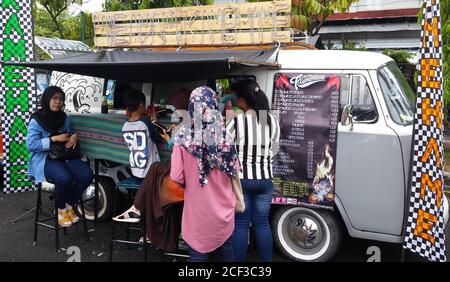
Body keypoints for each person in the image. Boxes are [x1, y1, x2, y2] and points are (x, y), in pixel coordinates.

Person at [170, 86, 241, 262]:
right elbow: (235, 171)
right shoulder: (226, 137)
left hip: (198, 211)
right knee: (226, 250)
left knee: (198, 255)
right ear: (214, 105)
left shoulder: (182, 138)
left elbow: (176, 176)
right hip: (224, 209)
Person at [227, 79, 280, 262]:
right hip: (265, 180)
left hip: (242, 180)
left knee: (241, 225)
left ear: (242, 100)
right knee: (262, 224)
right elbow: (274, 150)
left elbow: (226, 149)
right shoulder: (272, 121)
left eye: (237, 100)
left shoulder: (236, 121)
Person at [26, 86, 94, 227]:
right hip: (45, 158)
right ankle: (60, 209)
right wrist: (53, 139)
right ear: (47, 99)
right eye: (54, 98)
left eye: (61, 99)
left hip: (64, 156)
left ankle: (69, 203)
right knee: (64, 178)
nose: (58, 102)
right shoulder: (37, 120)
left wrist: (74, 136)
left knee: (87, 175)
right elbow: (31, 145)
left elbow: (69, 133)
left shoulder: (65, 118)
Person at [113, 89, 170, 222]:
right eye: (144, 105)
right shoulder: (146, 122)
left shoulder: (125, 126)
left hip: (136, 170)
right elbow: (160, 137)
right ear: (140, 105)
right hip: (151, 170)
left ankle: (137, 210)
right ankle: (144, 216)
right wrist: (155, 121)